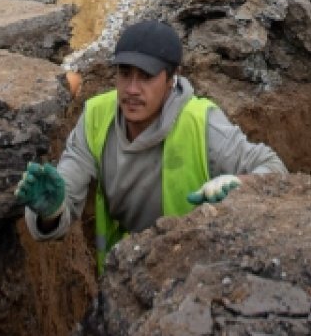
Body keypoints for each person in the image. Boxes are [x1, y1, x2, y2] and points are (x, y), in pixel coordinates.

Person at [15, 19, 287, 272]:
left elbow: (274, 169)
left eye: (146, 76)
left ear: (171, 79)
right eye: (124, 73)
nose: (132, 89)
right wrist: (50, 212)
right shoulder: (96, 117)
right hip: (124, 271)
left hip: (191, 275)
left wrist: (240, 184)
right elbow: (67, 194)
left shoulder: (202, 124)